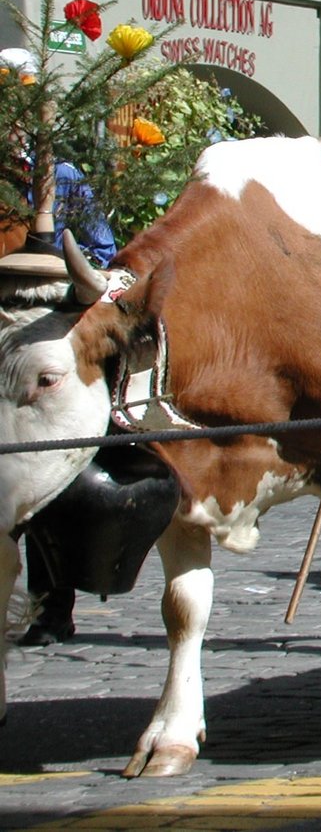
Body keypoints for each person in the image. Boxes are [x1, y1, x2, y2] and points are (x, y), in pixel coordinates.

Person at [2, 48, 119, 646]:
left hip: (44, 328)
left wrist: (72, 286)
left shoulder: (65, 178)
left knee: (43, 460)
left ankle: (52, 603)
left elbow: (102, 247)